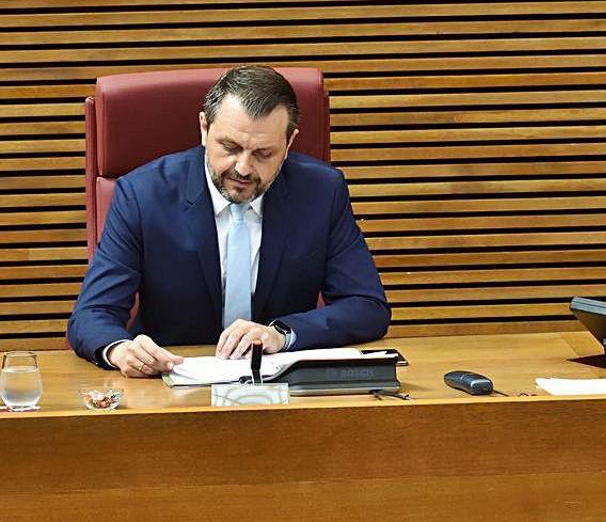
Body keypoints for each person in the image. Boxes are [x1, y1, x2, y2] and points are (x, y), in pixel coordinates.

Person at [68, 65, 391, 378]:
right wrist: (121, 350)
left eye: (264, 153)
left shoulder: (321, 192)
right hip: (171, 388)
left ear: (289, 142)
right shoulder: (143, 195)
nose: (244, 168)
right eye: (230, 147)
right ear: (204, 128)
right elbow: (92, 314)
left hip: (281, 394)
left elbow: (366, 306)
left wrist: (282, 334)